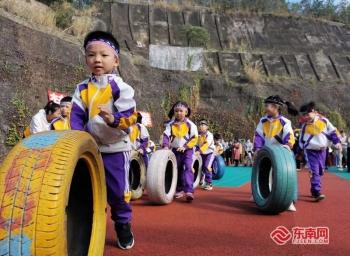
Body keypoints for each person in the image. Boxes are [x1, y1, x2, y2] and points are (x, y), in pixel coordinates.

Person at [70, 31, 137, 249]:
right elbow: (76, 117)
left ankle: (122, 224)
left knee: (118, 192)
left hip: (116, 148)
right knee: (86, 191)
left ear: (116, 60)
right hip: (91, 150)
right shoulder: (81, 89)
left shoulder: (121, 88)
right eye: (91, 55)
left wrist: (113, 119)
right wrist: (80, 141)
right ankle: (90, 226)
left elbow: (131, 117)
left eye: (104, 55)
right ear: (86, 59)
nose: (97, 59)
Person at [253, 95, 299, 211]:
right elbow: (258, 135)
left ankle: (289, 201)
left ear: (276, 107)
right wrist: (257, 148)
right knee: (261, 172)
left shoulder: (284, 121)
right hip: (267, 153)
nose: (266, 107)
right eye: (266, 105)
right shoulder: (263, 121)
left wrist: (288, 145)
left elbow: (289, 135)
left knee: (287, 176)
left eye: (268, 105)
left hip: (282, 153)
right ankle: (259, 194)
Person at [299, 102, 341, 202]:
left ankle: (314, 189)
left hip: (323, 151)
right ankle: (316, 191)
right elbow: (301, 139)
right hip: (310, 151)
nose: (306, 117)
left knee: (321, 171)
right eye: (304, 115)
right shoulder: (304, 126)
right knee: (315, 171)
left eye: (307, 114)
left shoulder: (324, 121)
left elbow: (333, 131)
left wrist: (337, 142)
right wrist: (300, 149)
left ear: (314, 112)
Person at [162, 101, 198, 202]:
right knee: (176, 169)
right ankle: (179, 188)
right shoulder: (170, 124)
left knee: (187, 167)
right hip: (175, 150)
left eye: (181, 111)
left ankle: (189, 191)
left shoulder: (191, 125)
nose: (179, 113)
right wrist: (165, 146)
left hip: (187, 150)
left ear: (186, 112)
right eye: (176, 111)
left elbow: (194, 138)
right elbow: (166, 136)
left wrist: (186, 147)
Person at [197, 119, 215, 191]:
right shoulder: (198, 134)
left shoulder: (209, 135)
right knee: (201, 167)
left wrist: (199, 151)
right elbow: (196, 144)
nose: (201, 126)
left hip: (210, 153)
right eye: (200, 125)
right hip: (202, 153)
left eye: (203, 125)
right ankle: (201, 180)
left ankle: (209, 183)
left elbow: (206, 144)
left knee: (207, 166)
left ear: (207, 127)